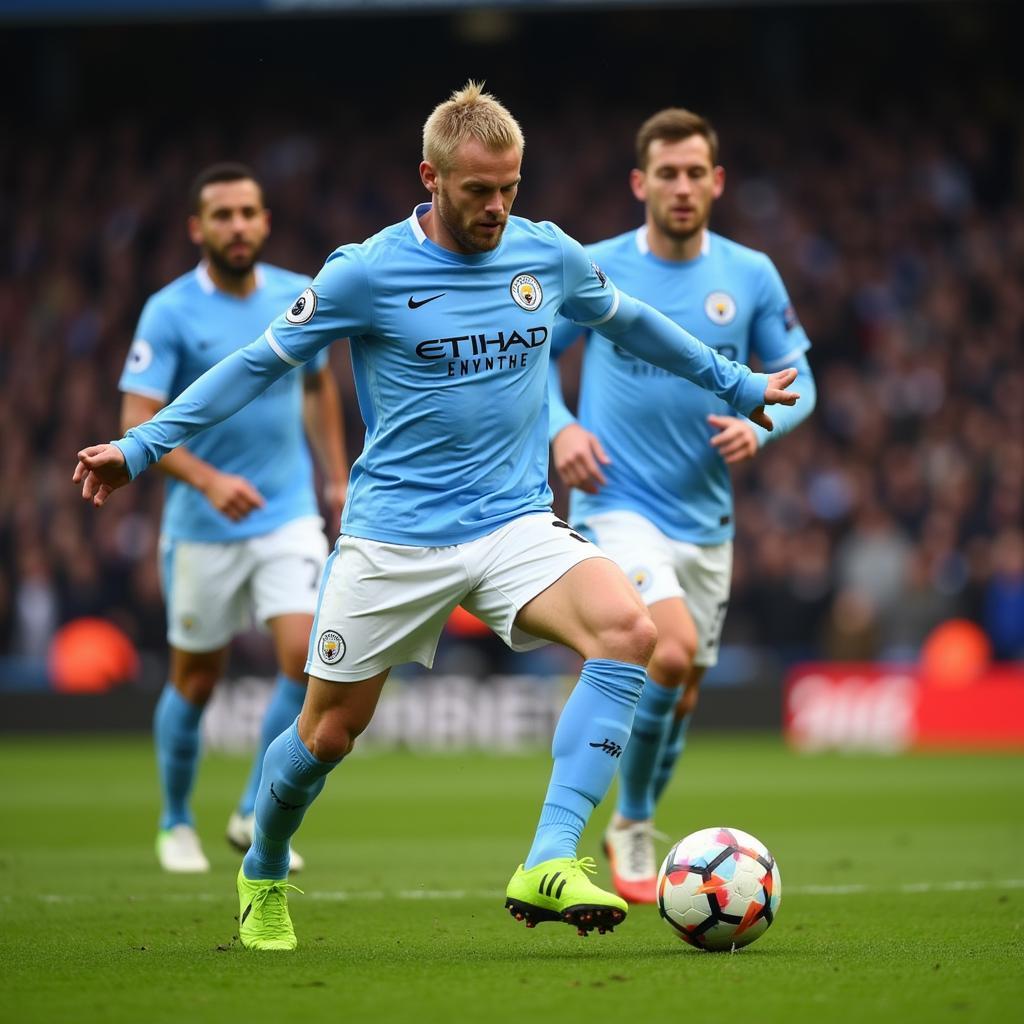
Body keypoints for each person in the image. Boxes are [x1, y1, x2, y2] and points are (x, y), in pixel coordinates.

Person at [75, 83, 800, 950]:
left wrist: (741, 384)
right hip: (393, 539)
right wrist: (143, 447)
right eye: (477, 191)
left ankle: (550, 856)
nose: (496, 208)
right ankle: (264, 864)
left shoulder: (548, 256)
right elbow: (253, 365)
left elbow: (637, 324)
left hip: (513, 524)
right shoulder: (366, 271)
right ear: (431, 177)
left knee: (628, 631)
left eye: (510, 188)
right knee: (328, 734)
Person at [548, 108, 816, 903]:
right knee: (667, 650)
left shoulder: (750, 274)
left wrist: (761, 429)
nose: (682, 185)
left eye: (696, 171)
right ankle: (629, 821)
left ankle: (638, 812)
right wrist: (561, 429)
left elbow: (800, 377)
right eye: (667, 172)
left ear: (717, 181)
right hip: (615, 503)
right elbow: (528, 364)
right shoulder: (595, 267)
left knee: (684, 683)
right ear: (640, 183)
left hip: (705, 520)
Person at [118, 163, 348, 874]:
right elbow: (136, 421)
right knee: (196, 679)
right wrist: (210, 480)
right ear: (198, 228)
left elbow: (317, 388)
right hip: (202, 525)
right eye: (223, 216)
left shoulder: (294, 294)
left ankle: (253, 810)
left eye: (249, 213)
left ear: (266, 220)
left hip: (285, 514)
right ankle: (175, 821)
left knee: (306, 657)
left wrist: (335, 477)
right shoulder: (169, 310)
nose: (238, 226)